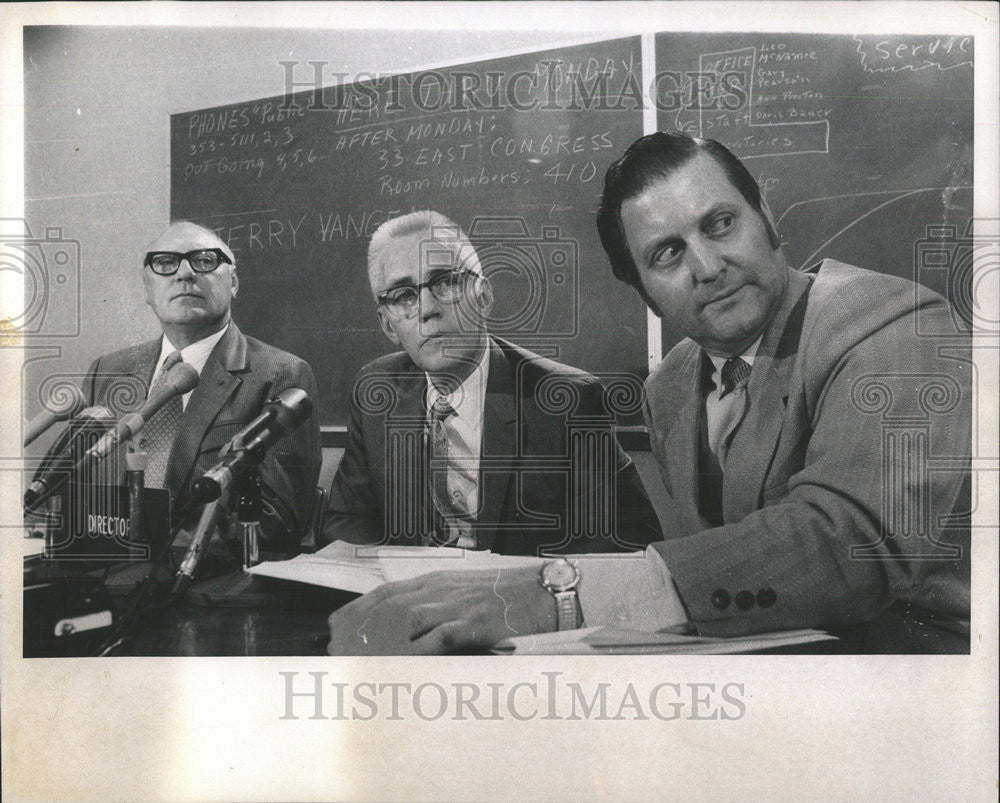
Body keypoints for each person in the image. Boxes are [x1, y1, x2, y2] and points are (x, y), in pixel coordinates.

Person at [326, 134, 971, 655]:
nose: (709, 265)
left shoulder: (895, 323)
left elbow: (849, 543)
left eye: (721, 223)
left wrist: (556, 591)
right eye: (667, 254)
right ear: (641, 289)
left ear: (768, 219)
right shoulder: (669, 386)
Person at [320, 210, 661, 556]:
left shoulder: (567, 400)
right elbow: (345, 522)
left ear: (483, 296)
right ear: (388, 326)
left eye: (445, 282)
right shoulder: (377, 389)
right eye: (403, 295)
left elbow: (629, 538)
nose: (427, 309)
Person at [81, 221, 321, 555]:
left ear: (233, 282)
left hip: (204, 589)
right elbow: (76, 496)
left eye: (204, 261)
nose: (184, 274)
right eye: (165, 263)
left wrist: (146, 540)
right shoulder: (107, 372)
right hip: (101, 581)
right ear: (146, 290)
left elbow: (276, 527)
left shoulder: (280, 374)